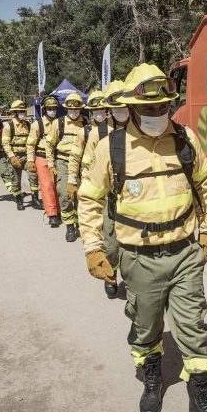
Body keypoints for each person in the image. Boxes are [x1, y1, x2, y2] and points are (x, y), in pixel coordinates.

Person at [77, 64, 207, 412]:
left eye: (163, 107)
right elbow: (89, 200)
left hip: (185, 253)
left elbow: (204, 186)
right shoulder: (110, 148)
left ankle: (201, 402)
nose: (157, 115)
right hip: (138, 258)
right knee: (146, 328)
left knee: (193, 327)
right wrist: (94, 248)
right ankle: (153, 379)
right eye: (148, 109)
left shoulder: (185, 139)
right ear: (130, 108)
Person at [69, 80, 127, 299]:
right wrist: (74, 180)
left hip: (134, 196)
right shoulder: (96, 133)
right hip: (107, 194)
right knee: (111, 244)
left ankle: (133, 279)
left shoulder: (138, 129)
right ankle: (111, 275)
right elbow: (82, 160)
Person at [44, 92, 85, 242]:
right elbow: (49, 144)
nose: (74, 112)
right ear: (66, 108)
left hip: (81, 163)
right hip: (62, 161)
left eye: (77, 109)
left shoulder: (85, 123)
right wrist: (50, 163)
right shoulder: (58, 123)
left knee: (81, 195)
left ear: (81, 109)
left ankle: (80, 224)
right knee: (64, 193)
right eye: (71, 109)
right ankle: (69, 227)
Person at [25, 95, 62, 226]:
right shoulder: (37, 124)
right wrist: (30, 160)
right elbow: (30, 144)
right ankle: (51, 214)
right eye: (49, 108)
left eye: (54, 108)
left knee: (59, 187)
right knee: (47, 186)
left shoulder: (61, 123)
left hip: (58, 158)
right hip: (42, 157)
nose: (52, 111)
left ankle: (60, 211)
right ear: (45, 109)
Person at [2, 99, 37, 211]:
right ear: (15, 112)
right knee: (15, 180)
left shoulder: (28, 124)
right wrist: (12, 157)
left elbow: (32, 141)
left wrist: (31, 158)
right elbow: (5, 143)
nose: (22, 113)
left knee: (33, 175)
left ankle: (35, 199)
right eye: (20, 111)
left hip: (26, 155)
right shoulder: (9, 126)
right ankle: (18, 200)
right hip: (15, 156)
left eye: (23, 111)